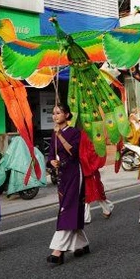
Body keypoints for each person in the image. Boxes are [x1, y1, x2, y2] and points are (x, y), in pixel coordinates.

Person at [46, 104, 91, 265]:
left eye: (58, 113)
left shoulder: (74, 132)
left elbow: (73, 151)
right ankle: (82, 244)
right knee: (71, 208)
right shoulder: (54, 134)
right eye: (53, 113)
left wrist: (60, 135)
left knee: (67, 209)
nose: (55, 116)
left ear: (66, 115)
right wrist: (52, 162)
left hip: (74, 173)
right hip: (61, 177)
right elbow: (51, 155)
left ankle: (58, 251)